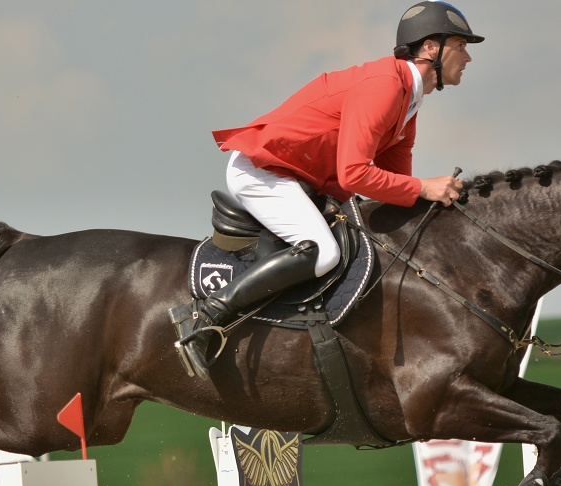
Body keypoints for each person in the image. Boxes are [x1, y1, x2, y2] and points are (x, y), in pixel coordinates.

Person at [172, 1, 484, 380]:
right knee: (322, 252)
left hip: (300, 178)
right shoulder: (385, 87)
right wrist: (424, 187)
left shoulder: (409, 100)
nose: (467, 57)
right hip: (265, 170)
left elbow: (395, 185)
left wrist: (432, 199)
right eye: (461, 45)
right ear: (431, 49)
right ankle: (205, 317)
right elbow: (355, 175)